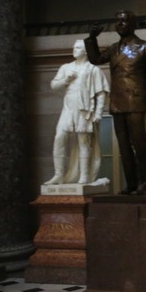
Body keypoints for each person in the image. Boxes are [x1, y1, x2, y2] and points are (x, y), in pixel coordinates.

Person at [84, 10, 146, 195]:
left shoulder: (145, 47)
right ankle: (132, 183)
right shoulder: (113, 49)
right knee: (124, 146)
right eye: (117, 22)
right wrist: (91, 38)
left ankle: (145, 184)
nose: (120, 25)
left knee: (140, 144)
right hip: (118, 102)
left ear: (133, 24)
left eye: (124, 21)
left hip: (136, 101)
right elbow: (95, 59)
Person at [45, 39, 109, 185]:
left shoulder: (93, 69)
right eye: (74, 47)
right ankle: (58, 174)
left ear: (86, 51)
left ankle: (84, 176)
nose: (74, 50)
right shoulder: (66, 67)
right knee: (59, 136)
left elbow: (101, 93)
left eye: (78, 48)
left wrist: (99, 113)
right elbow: (54, 85)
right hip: (68, 106)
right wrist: (66, 80)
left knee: (83, 141)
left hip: (85, 108)